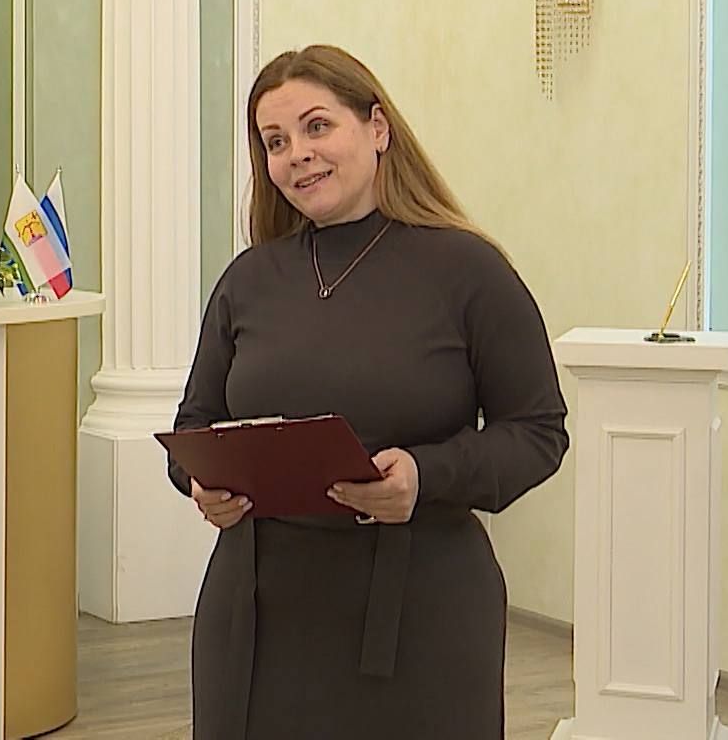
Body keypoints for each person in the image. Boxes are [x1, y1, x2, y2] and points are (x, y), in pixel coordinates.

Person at [169, 45, 569, 739]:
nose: (297, 153)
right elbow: (195, 425)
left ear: (377, 127)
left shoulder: (468, 270)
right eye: (275, 141)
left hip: (421, 609)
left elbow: (538, 431)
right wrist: (201, 483)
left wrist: (426, 474)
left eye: (317, 126)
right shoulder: (248, 280)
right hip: (257, 613)